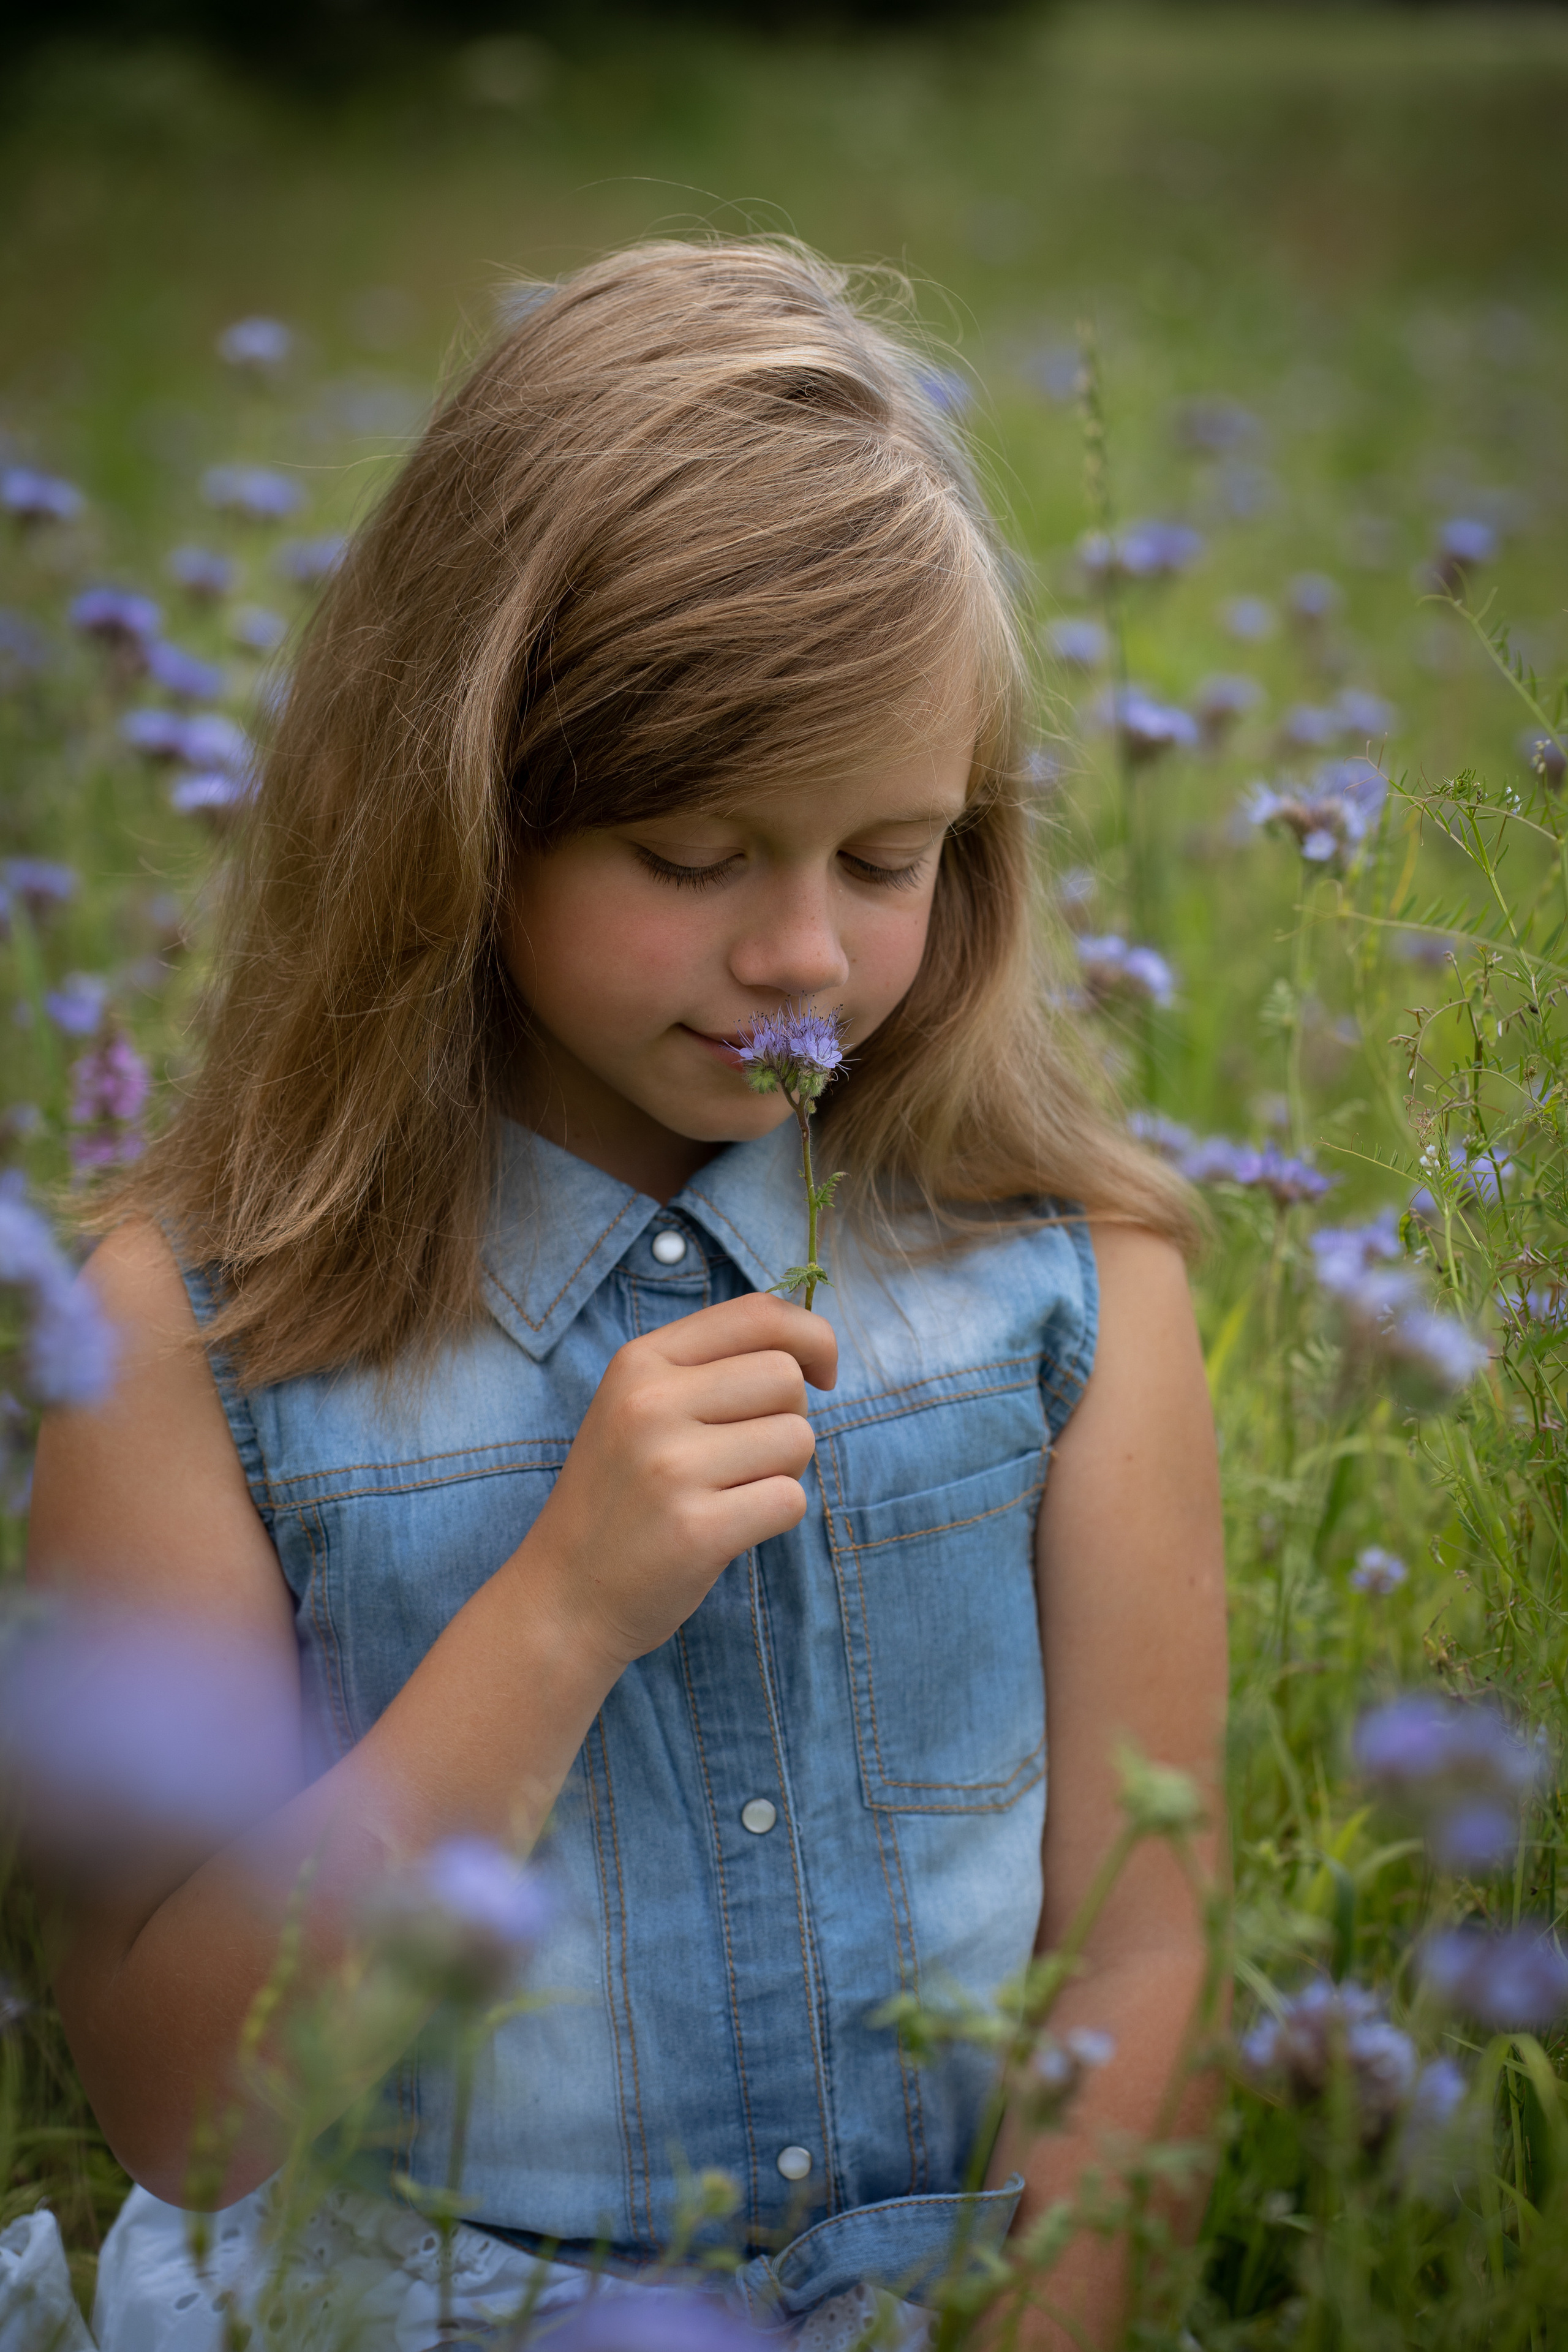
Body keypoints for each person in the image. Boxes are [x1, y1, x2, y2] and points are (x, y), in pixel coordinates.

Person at [29, 239, 1227, 2352]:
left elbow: (1139, 1951)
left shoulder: (1068, 1275)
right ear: (458, 819)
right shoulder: (189, 1336)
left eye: (886, 859)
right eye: (692, 856)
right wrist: (560, 1609)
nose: (801, 959)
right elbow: (178, 2107)